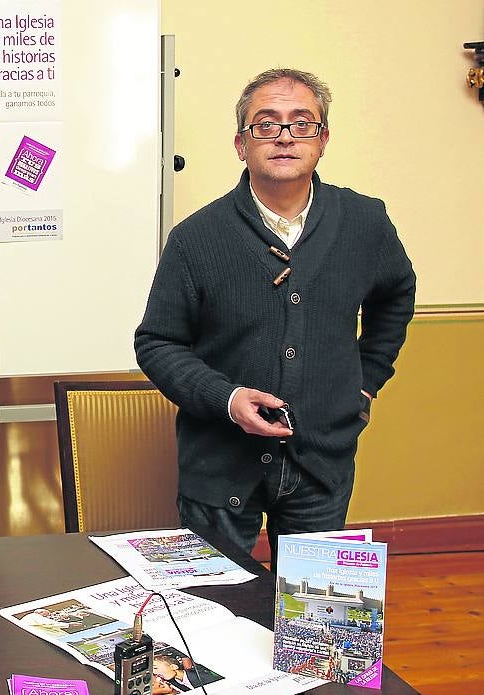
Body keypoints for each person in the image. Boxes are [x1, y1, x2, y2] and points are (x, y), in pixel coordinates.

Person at [134, 68, 415, 567]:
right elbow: (157, 342)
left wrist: (366, 380)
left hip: (321, 463)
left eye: (300, 123)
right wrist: (228, 398)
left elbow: (396, 295)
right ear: (241, 144)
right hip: (218, 465)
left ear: (322, 139)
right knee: (207, 612)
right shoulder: (196, 237)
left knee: (312, 630)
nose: (284, 136)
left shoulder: (365, 222)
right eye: (265, 125)